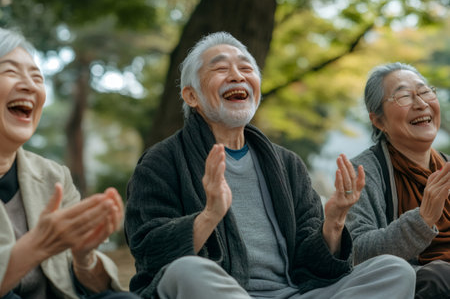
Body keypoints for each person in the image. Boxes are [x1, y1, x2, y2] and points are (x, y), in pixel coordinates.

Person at [125, 32, 416, 299]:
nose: (237, 76)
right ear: (192, 96)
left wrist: (335, 220)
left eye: (246, 68)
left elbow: (311, 264)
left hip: (292, 293)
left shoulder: (286, 164)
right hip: (219, 292)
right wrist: (210, 215)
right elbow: (150, 252)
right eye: (221, 68)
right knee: (186, 272)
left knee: (393, 270)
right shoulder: (161, 162)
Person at [0, 28, 140, 299]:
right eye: (10, 72)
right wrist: (36, 245)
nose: (30, 85)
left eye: (37, 77)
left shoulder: (54, 177)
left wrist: (84, 256)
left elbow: (92, 287)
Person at [346, 62, 450, 299]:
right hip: (418, 282)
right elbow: (357, 251)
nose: (421, 103)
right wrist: (423, 219)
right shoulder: (363, 172)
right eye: (403, 96)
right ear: (378, 121)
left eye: (425, 92)